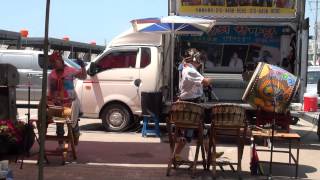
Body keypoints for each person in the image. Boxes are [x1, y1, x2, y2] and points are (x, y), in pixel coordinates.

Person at [175, 52, 223, 161]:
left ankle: (211, 154)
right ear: (194, 60)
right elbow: (205, 82)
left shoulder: (188, 69)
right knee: (189, 133)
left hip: (191, 104)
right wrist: (212, 79)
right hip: (190, 106)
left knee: (203, 131)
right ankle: (176, 155)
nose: (200, 63)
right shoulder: (190, 70)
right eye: (199, 60)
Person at [47, 51, 87, 149]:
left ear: (61, 61)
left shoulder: (70, 70)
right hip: (59, 104)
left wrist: (83, 67)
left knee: (74, 126)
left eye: (56, 62)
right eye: (53, 63)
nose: (55, 64)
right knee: (59, 126)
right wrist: (50, 101)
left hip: (71, 103)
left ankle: (74, 145)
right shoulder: (52, 75)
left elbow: (83, 76)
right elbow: (51, 91)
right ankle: (61, 145)